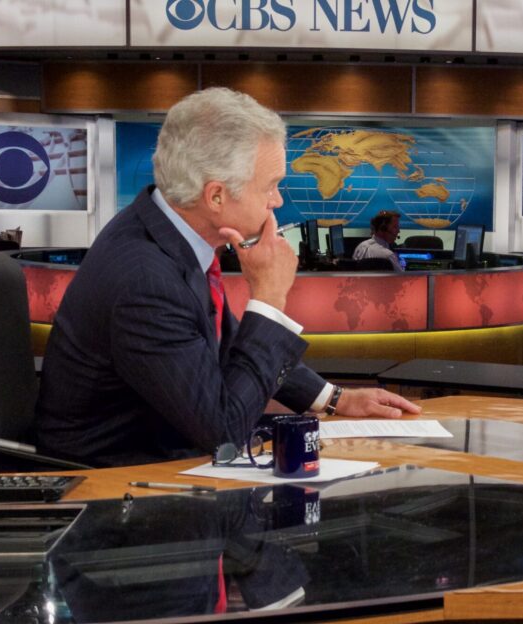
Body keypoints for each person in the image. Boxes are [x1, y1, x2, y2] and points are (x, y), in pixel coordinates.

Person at [34, 87, 420, 468]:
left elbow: (228, 346)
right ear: (216, 196)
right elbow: (224, 430)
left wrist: (334, 399)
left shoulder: (164, 233)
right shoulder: (145, 281)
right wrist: (268, 298)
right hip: (116, 484)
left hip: (166, 448)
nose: (278, 201)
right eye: (270, 186)